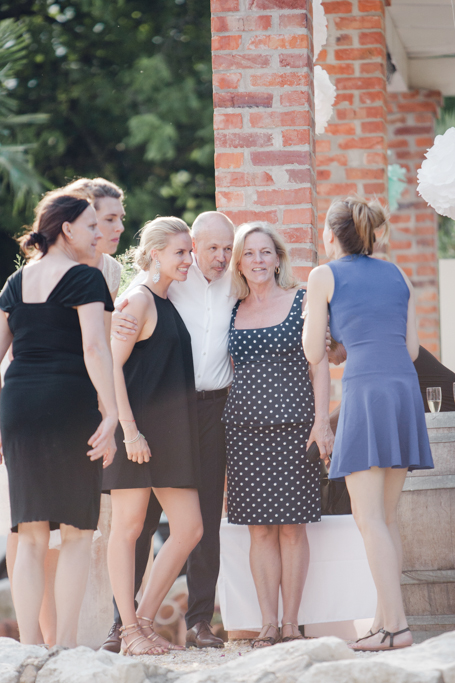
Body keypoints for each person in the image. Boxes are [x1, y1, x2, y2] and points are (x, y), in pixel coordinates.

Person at [303, 196, 433, 652]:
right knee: (387, 518)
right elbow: (413, 350)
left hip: (365, 392)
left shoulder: (323, 275)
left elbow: (314, 352)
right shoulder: (397, 273)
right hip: (403, 391)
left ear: (333, 235)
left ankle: (395, 627)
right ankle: (383, 619)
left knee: (368, 516)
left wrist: (333, 341)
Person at [102, 211, 235, 652]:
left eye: (188, 252)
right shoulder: (139, 299)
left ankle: (139, 623)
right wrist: (129, 429)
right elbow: (109, 366)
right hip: (139, 430)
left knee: (191, 527)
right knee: (130, 527)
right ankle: (127, 631)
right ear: (155, 254)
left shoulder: (163, 297)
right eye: (182, 252)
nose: (189, 260)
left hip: (172, 429)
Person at [0, 177, 125, 646]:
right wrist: (111, 413)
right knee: (76, 531)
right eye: (91, 225)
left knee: (30, 536)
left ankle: (30, 646)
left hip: (19, 408)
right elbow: (95, 346)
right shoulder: (85, 278)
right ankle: (66, 647)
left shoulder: (16, 281)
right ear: (66, 229)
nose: (98, 234)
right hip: (68, 406)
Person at [223, 222, 333, 648]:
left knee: (292, 528)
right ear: (239, 262)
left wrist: (321, 421)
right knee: (259, 530)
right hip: (245, 431)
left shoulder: (303, 301)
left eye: (265, 252)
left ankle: (291, 624)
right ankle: (267, 624)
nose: (258, 261)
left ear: (278, 257)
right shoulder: (232, 308)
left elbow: (319, 362)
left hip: (295, 429)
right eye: (249, 254)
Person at [63, 177, 125, 299]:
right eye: (109, 219)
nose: (120, 228)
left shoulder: (112, 270)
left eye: (121, 218)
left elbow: (104, 318)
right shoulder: (51, 265)